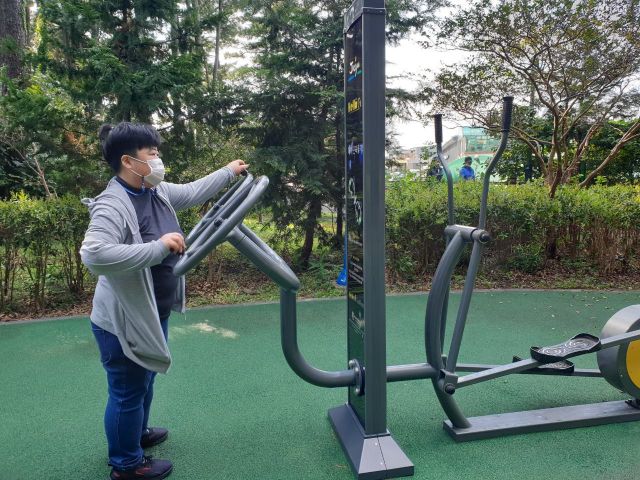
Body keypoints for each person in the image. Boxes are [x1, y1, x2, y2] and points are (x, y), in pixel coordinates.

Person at [80, 122, 248, 480]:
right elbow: (94, 254)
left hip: (153, 311)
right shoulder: (113, 203)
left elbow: (192, 191)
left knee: (145, 379)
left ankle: (136, 434)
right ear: (128, 161)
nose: (158, 159)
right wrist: (157, 248)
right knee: (127, 390)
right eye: (152, 153)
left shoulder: (154, 190)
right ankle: (126, 465)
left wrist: (228, 172)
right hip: (124, 318)